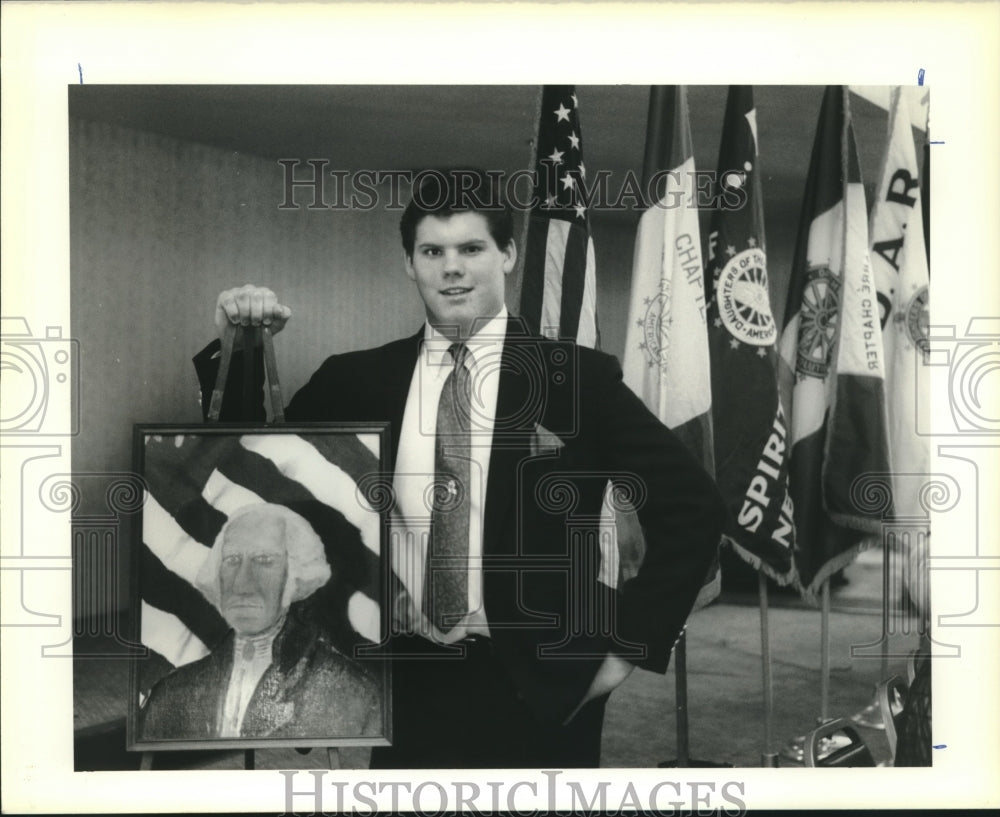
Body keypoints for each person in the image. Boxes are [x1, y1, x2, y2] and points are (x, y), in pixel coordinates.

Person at [193, 169, 725, 767]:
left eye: (471, 248)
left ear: (508, 255)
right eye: (432, 251)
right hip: (405, 675)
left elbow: (692, 506)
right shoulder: (357, 380)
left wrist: (625, 651)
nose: (452, 268)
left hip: (543, 682)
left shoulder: (575, 381)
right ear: (410, 263)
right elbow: (256, 471)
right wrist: (237, 345)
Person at [139, 503, 381, 741]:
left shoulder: (358, 691)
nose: (242, 581)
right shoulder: (170, 696)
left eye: (264, 561)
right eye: (232, 560)